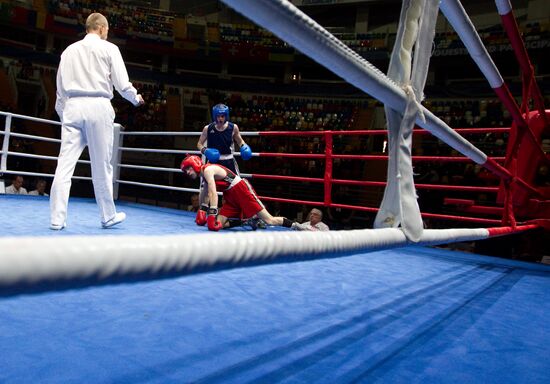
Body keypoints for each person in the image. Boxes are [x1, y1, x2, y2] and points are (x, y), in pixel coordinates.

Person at [49, 13, 144, 230]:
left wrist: (65, 114)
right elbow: (121, 84)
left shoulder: (69, 51)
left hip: (73, 106)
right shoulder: (109, 49)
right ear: (101, 28)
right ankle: (107, 215)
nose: (107, 34)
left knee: (64, 166)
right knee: (101, 166)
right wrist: (136, 98)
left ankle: (56, 219)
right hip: (98, 106)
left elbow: (60, 90)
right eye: (107, 31)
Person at [180, 155, 294, 231]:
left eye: (189, 168)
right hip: (230, 196)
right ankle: (245, 221)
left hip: (240, 190)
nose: (188, 172)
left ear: (195, 164)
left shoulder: (208, 170)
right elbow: (204, 193)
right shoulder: (204, 176)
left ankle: (296, 225)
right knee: (219, 224)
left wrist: (211, 213)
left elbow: (212, 193)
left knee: (269, 220)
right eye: (186, 171)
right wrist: (202, 209)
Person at [196, 103, 252, 174]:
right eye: (218, 116)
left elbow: (240, 141)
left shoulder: (233, 127)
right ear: (214, 116)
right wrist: (205, 151)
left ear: (226, 116)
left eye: (222, 116)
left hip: (229, 161)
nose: (220, 119)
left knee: (236, 183)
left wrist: (244, 147)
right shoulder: (208, 128)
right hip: (213, 162)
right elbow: (199, 144)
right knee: (210, 183)